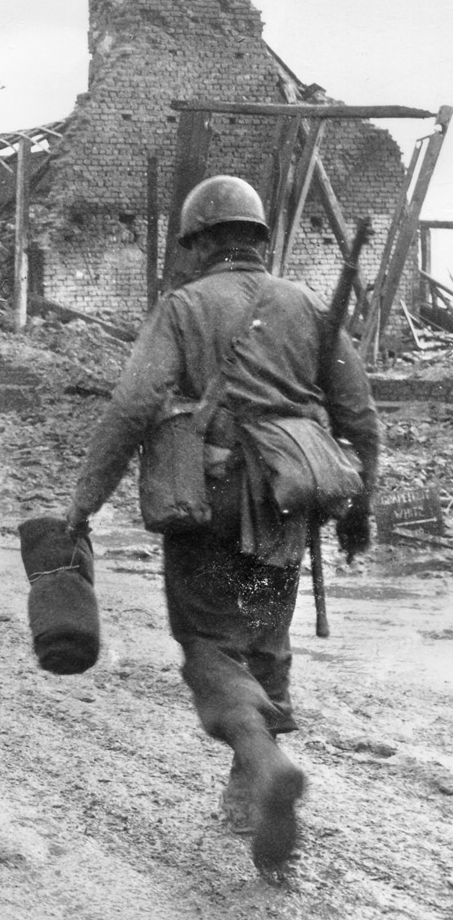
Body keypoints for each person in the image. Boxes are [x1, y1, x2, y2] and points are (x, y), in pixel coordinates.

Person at [65, 175, 380, 875]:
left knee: (208, 643)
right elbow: (359, 419)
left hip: (208, 498)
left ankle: (264, 765)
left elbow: (132, 406)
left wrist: (84, 501)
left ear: (200, 242)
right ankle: (252, 805)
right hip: (286, 499)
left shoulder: (183, 307)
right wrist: (360, 510)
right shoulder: (305, 306)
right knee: (264, 635)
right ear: (259, 238)